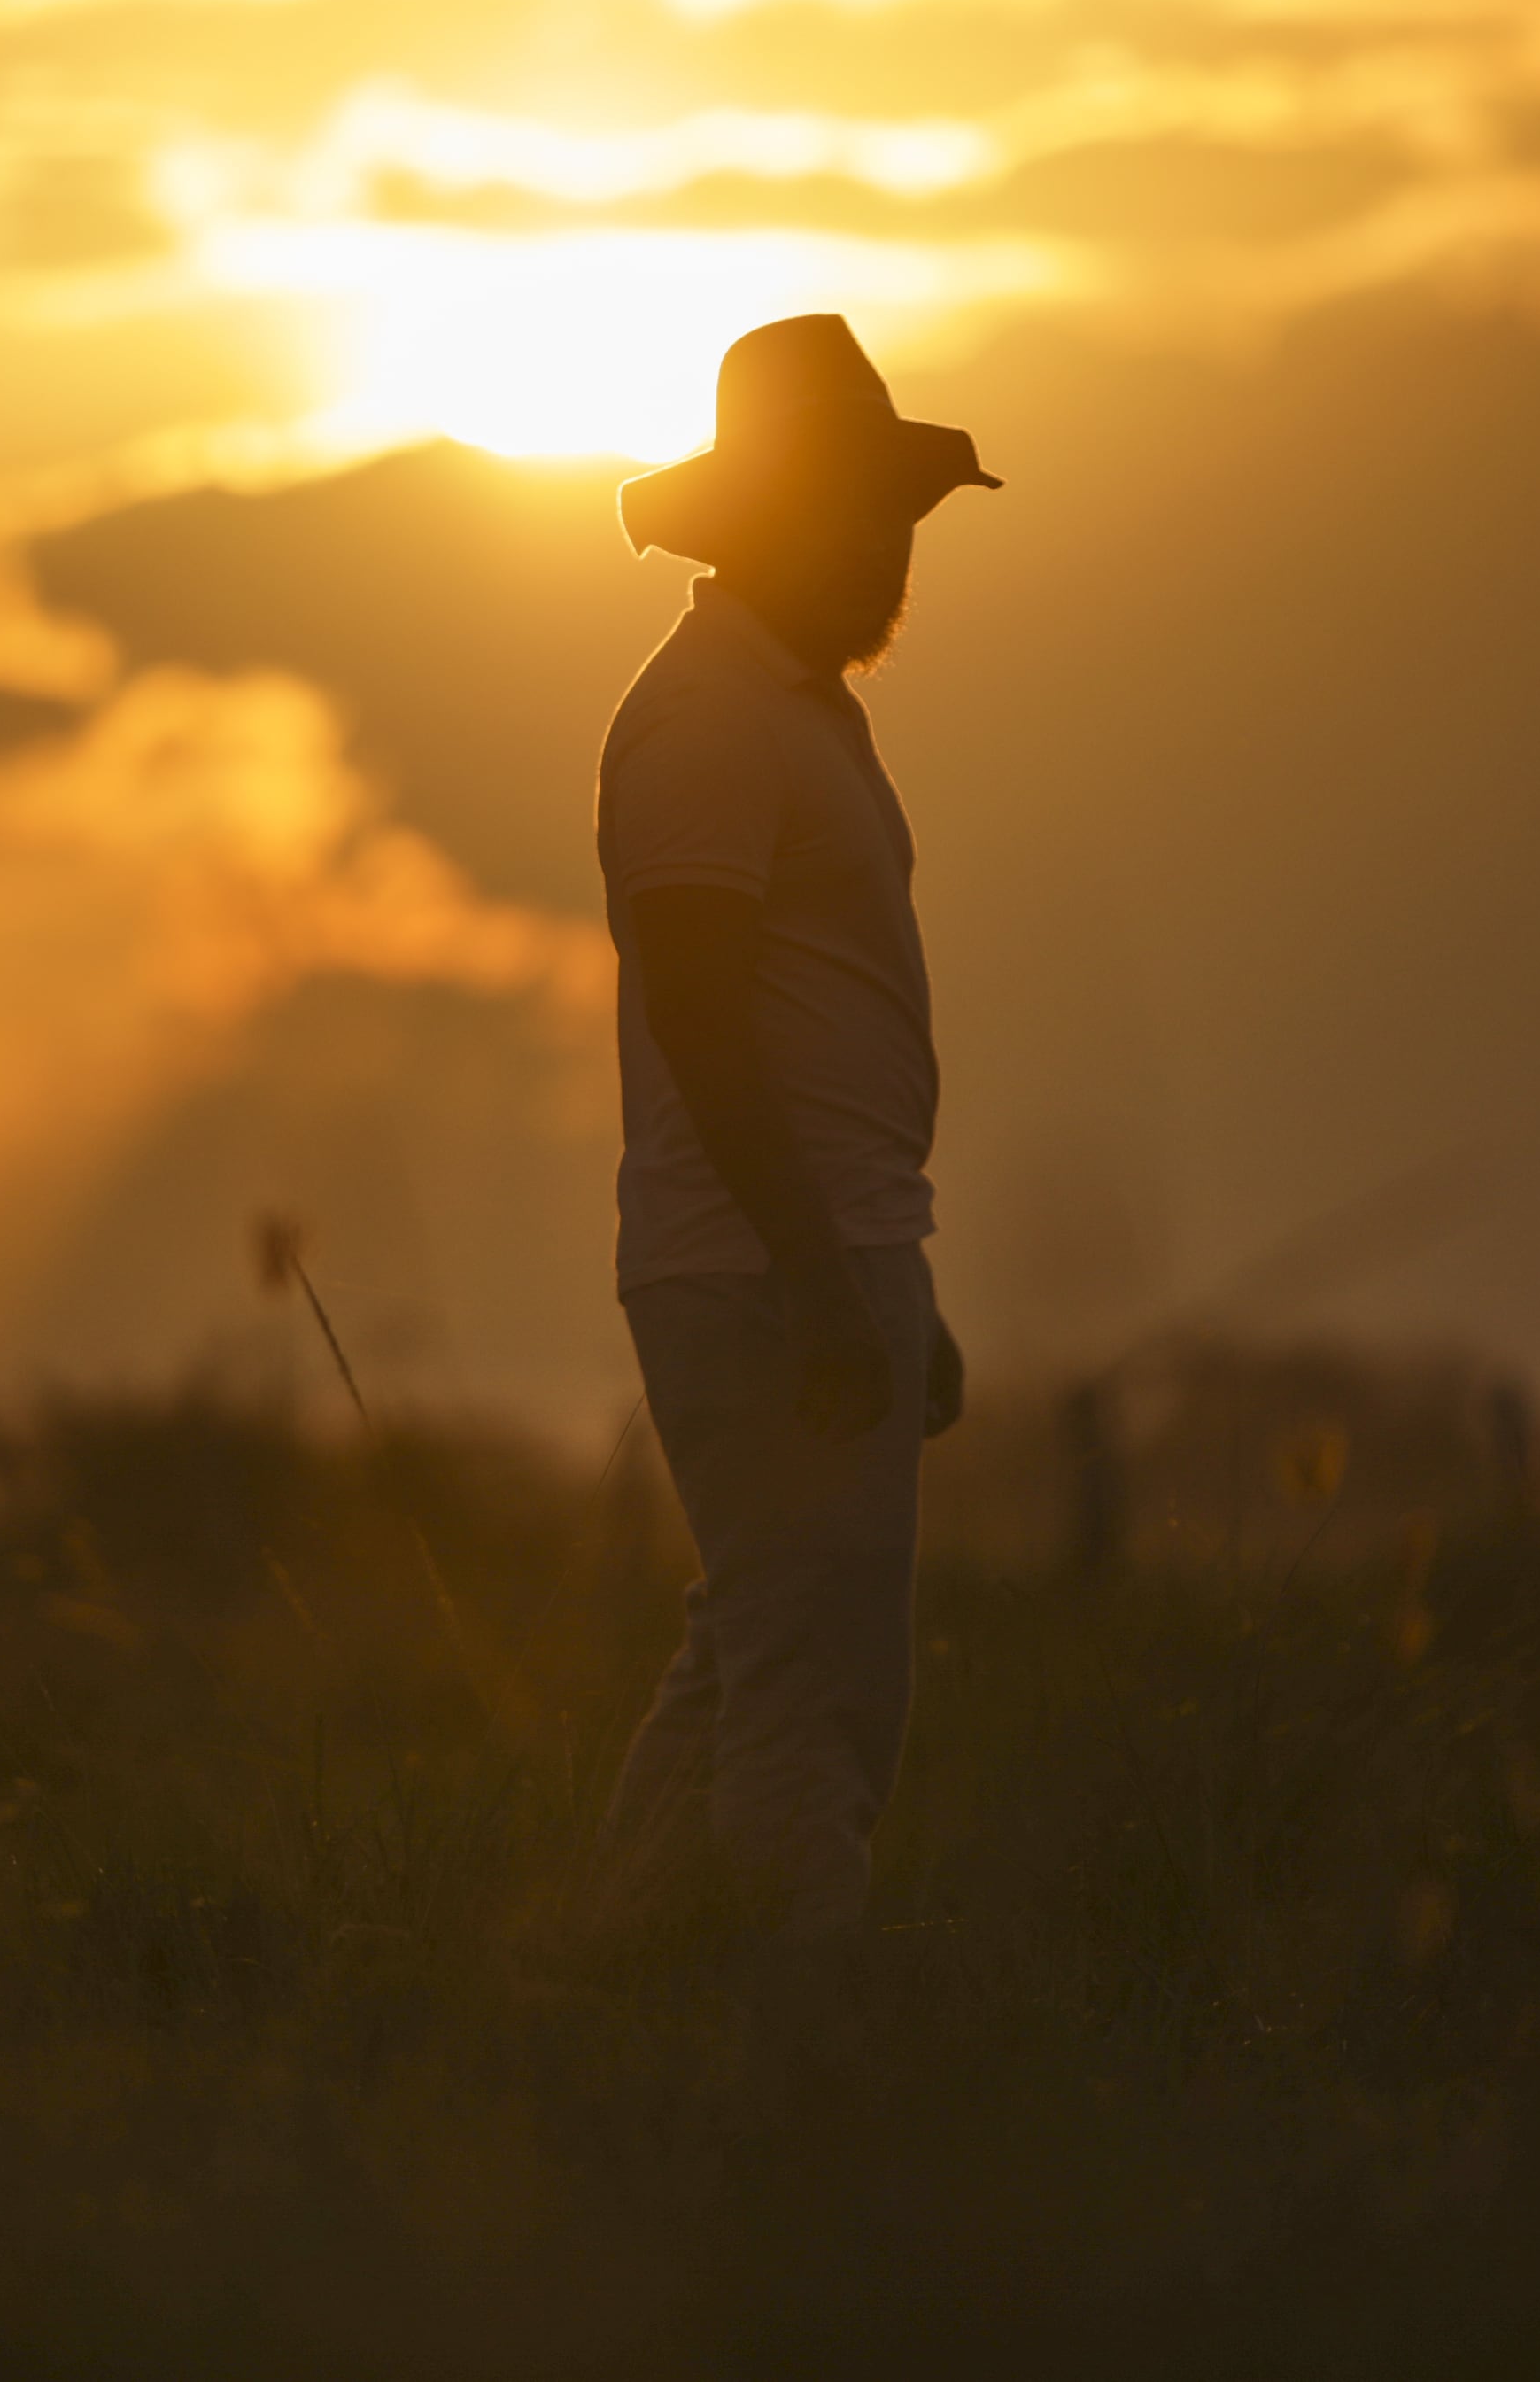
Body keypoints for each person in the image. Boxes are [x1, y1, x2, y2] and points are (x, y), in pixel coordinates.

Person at [591, 313, 996, 1942]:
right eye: (859, 508)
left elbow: (803, 1031)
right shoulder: (707, 716)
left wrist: (890, 1274)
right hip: (770, 1273)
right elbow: (699, 1014)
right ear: (772, 518)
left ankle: (596, 1968)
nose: (892, 549)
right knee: (816, 1702)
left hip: (813, 1256)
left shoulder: (791, 708)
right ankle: (789, 2049)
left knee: (758, 1650)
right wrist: (828, 1278)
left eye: (899, 513)